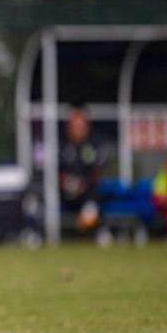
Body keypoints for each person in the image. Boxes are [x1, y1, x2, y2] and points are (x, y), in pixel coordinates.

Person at [58, 105, 110, 245]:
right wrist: (68, 183)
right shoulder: (62, 147)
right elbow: (55, 173)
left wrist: (83, 185)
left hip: (87, 192)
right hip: (65, 195)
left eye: (81, 126)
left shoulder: (94, 145)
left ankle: (95, 225)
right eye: (75, 126)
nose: (78, 130)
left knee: (95, 193)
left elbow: (98, 172)